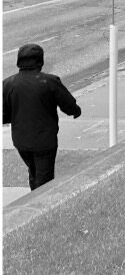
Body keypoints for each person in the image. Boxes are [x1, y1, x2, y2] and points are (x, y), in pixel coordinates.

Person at [2, 44, 82, 190]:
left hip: (21, 141)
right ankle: (39, 207)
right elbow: (68, 105)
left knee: (33, 172)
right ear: (40, 61)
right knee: (44, 180)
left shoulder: (8, 84)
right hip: (45, 141)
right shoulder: (49, 82)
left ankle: (33, 197)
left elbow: (4, 115)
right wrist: (76, 111)